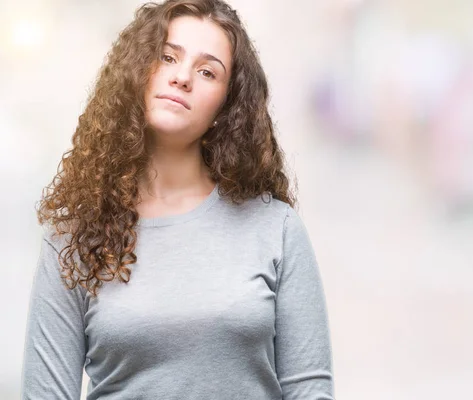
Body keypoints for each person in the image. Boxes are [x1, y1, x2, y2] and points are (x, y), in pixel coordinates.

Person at [20, 1, 334, 399]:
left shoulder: (276, 228)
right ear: (137, 72)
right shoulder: (73, 235)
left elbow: (309, 390)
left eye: (207, 71)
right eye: (167, 57)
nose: (182, 77)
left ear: (226, 105)